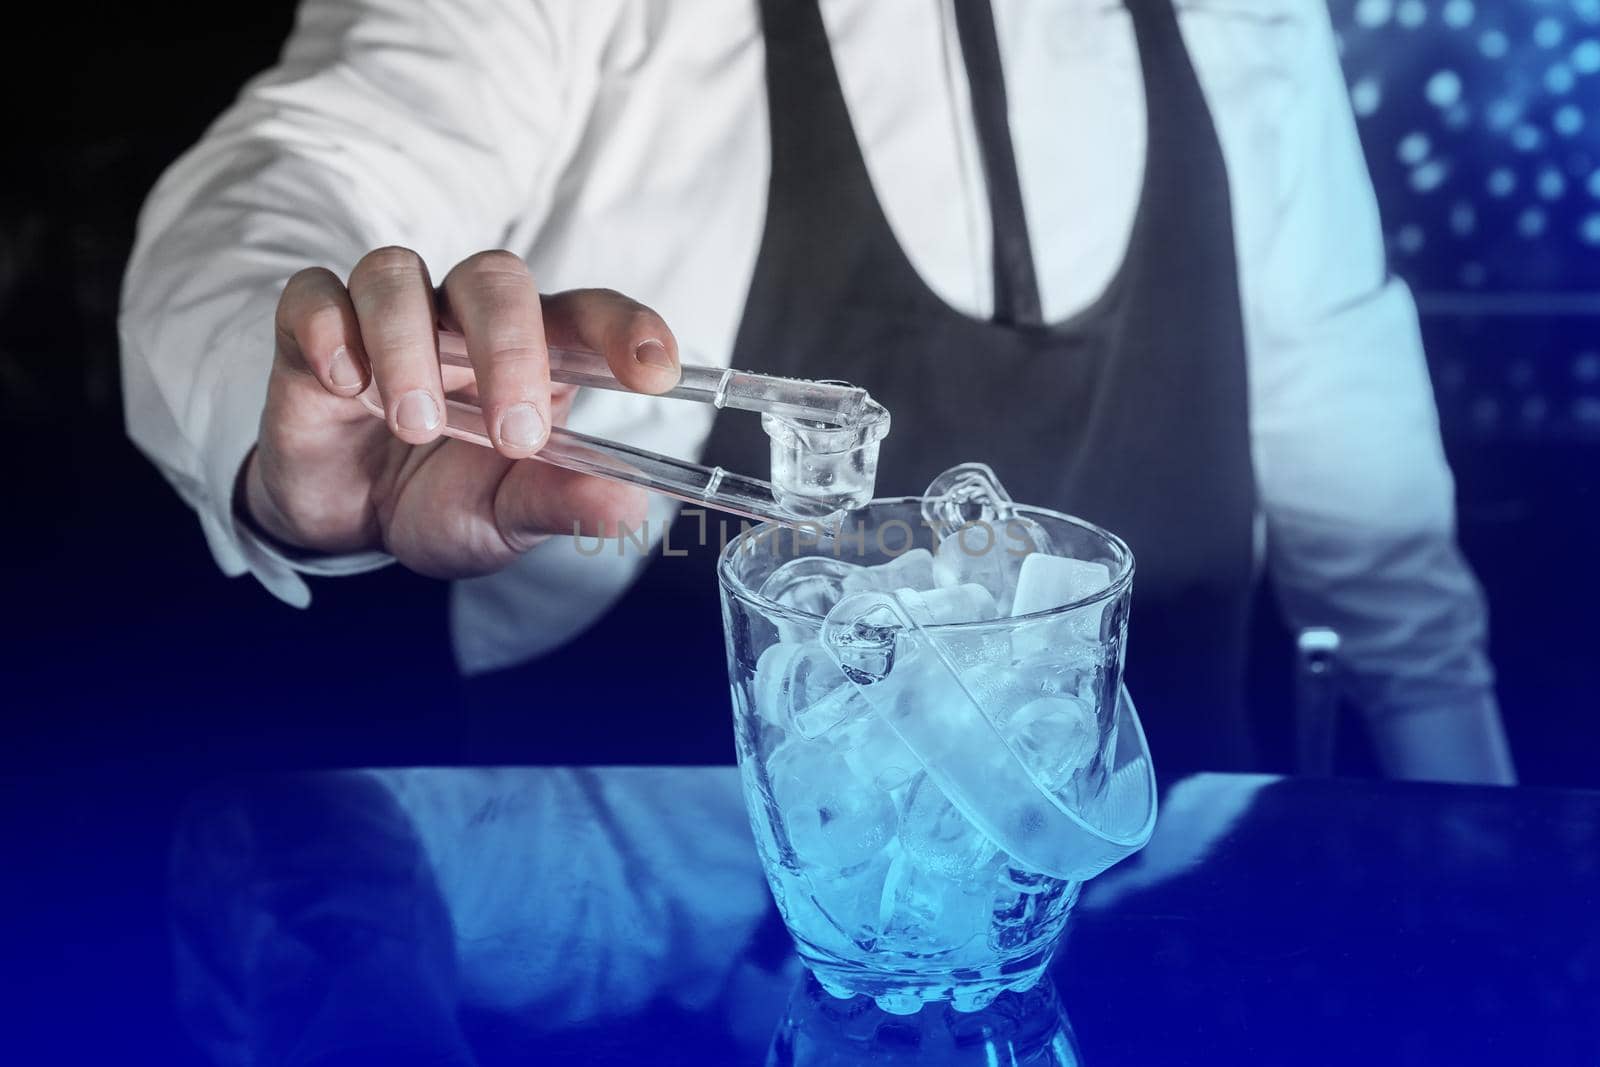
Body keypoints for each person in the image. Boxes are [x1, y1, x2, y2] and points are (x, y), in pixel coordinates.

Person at [120, 0, 1514, 782]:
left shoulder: (1247, 18)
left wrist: (1464, 818)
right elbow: (292, 175)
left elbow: (1349, 424)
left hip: (1170, 905)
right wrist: (311, 369)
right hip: (642, 941)